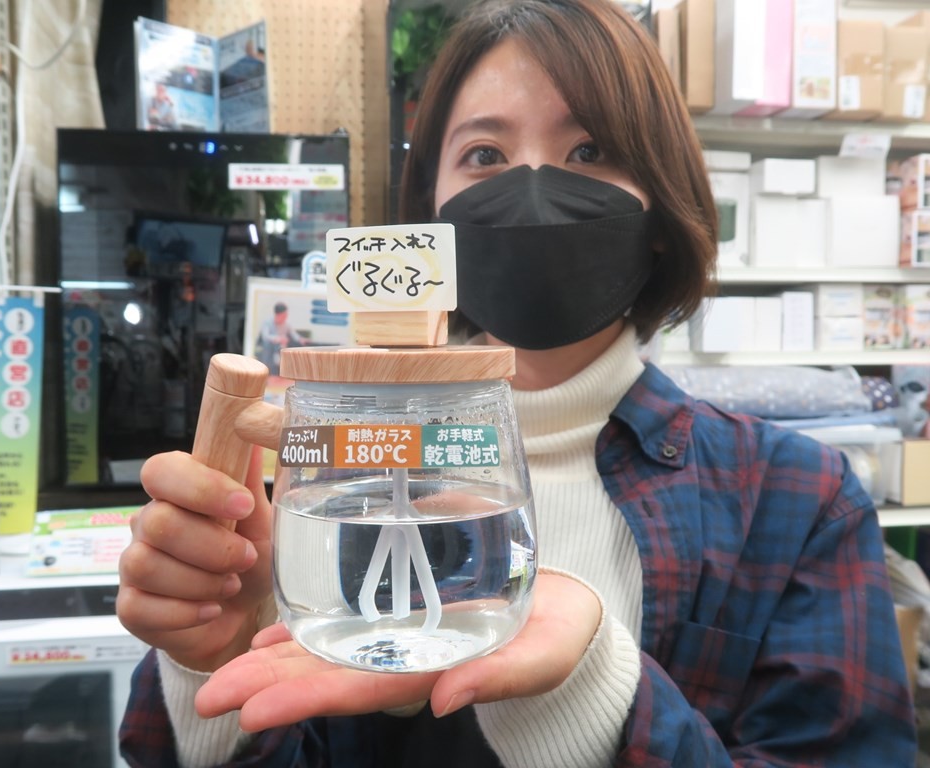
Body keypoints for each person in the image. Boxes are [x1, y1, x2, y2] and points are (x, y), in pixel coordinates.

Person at [116, 1, 918, 766]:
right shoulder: (347, 468)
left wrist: (591, 692)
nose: (532, 192)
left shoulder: (797, 502)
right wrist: (213, 660)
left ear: (661, 204)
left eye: (590, 151)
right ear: (430, 212)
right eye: (485, 156)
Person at [255, 301, 306, 375]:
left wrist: (300, 339)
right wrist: (278, 338)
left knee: (286, 349)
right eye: (284, 315)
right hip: (267, 348)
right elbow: (265, 337)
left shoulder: (286, 324)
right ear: (278, 315)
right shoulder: (267, 323)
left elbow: (293, 334)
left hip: (279, 347)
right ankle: (266, 371)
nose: (286, 317)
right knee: (268, 346)